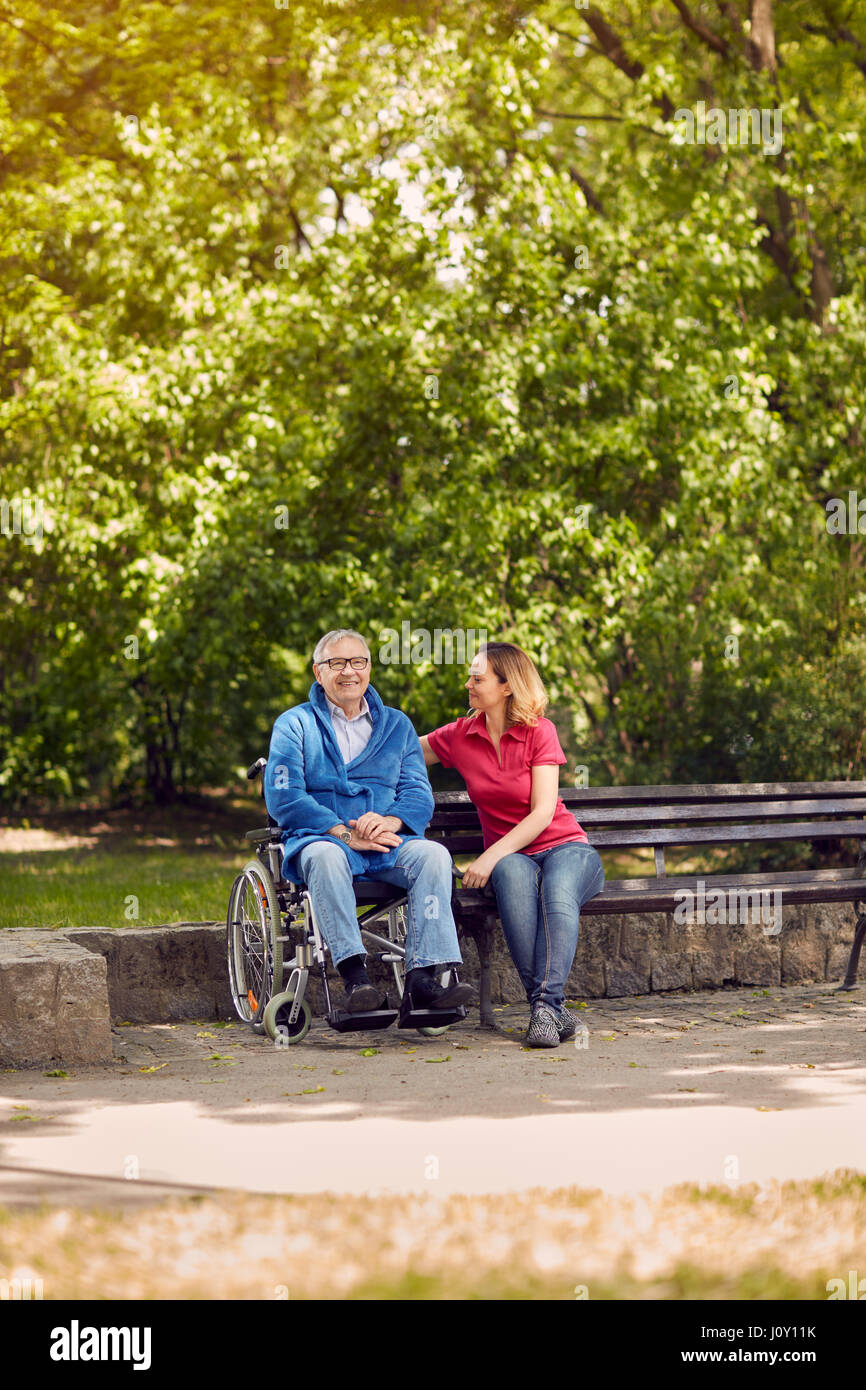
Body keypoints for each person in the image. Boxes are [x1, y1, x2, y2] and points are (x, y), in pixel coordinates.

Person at [265, 628, 472, 1020]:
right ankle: (355, 977)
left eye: (357, 661)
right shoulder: (294, 725)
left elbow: (417, 792)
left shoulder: (396, 725)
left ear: (369, 668)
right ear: (318, 671)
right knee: (326, 858)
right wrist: (344, 833)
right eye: (336, 663)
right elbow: (284, 796)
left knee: (433, 856)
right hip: (322, 839)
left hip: (386, 842)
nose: (348, 671)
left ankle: (424, 978)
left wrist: (391, 820)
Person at [420, 642, 604, 1048]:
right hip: (514, 858)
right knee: (514, 879)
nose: (468, 684)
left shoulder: (540, 731)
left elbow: (542, 814)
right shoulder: (460, 736)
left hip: (565, 847)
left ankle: (543, 1008)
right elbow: (399, 753)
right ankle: (549, 1011)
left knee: (556, 893)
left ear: (507, 686)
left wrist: (487, 856)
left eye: (477, 678)